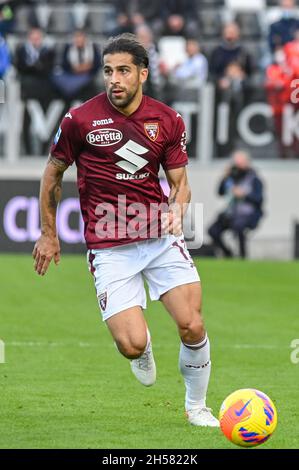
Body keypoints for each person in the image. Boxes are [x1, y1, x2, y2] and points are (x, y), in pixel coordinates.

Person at [32, 33, 219, 428]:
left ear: (142, 74)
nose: (113, 79)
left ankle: (197, 406)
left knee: (192, 324)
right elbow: (52, 175)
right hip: (110, 248)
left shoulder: (167, 120)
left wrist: (177, 209)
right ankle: (144, 348)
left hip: (159, 239)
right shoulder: (79, 119)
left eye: (122, 71)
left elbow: (180, 182)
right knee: (131, 346)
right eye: (107, 71)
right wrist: (49, 234)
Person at [208, 151, 263, 259]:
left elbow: (259, 199)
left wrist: (243, 195)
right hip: (231, 213)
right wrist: (224, 176)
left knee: (239, 226)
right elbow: (220, 192)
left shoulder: (254, 180)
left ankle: (243, 257)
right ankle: (228, 254)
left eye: (240, 163)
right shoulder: (231, 178)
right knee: (213, 230)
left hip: (247, 215)